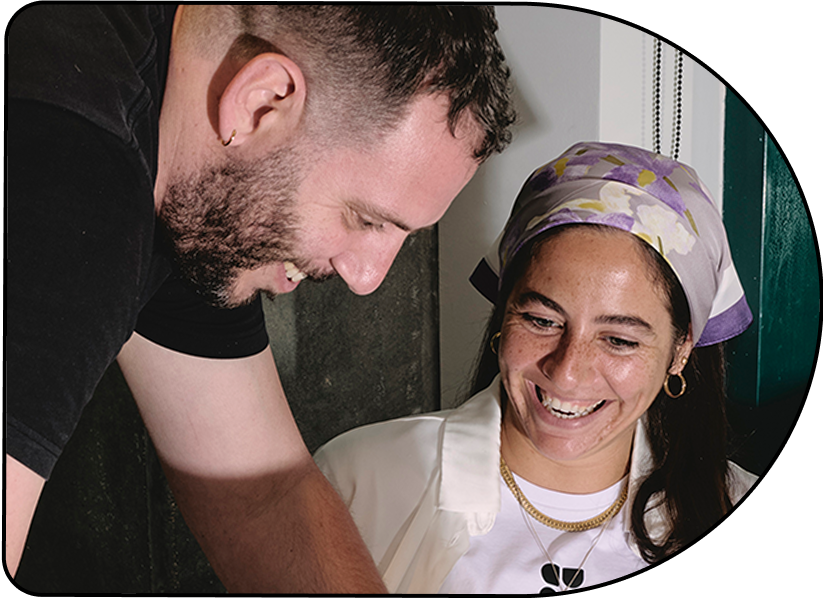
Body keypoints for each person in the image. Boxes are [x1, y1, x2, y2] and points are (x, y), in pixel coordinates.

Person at [7, 5, 515, 591]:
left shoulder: (197, 182)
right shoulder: (63, 167)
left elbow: (267, 497)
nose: (367, 278)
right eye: (365, 219)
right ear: (260, 104)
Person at [314, 141, 759, 593]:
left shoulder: (733, 500)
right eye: (542, 320)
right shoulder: (357, 482)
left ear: (680, 350)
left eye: (620, 340)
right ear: (504, 312)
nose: (567, 371)